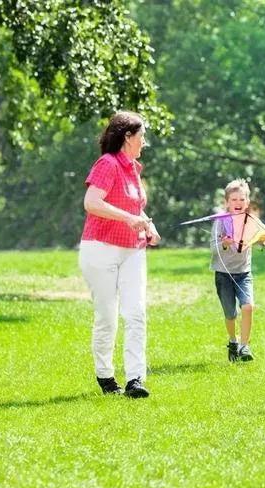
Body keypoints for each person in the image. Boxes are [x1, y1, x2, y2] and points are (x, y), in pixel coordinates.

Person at [78, 111, 160, 398]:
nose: (144, 142)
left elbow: (134, 207)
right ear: (127, 136)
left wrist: (149, 226)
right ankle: (105, 376)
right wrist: (129, 218)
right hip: (100, 248)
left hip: (133, 250)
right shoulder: (108, 164)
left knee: (136, 313)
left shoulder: (133, 170)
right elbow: (92, 202)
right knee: (107, 317)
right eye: (142, 136)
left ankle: (136, 379)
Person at [211, 179, 265, 363]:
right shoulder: (220, 221)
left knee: (248, 306)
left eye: (242, 199)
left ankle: (244, 346)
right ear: (227, 202)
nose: (238, 203)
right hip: (223, 274)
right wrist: (224, 244)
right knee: (230, 314)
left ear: (247, 202)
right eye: (234, 199)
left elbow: (263, 237)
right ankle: (233, 341)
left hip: (244, 273)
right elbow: (214, 248)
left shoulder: (251, 221)